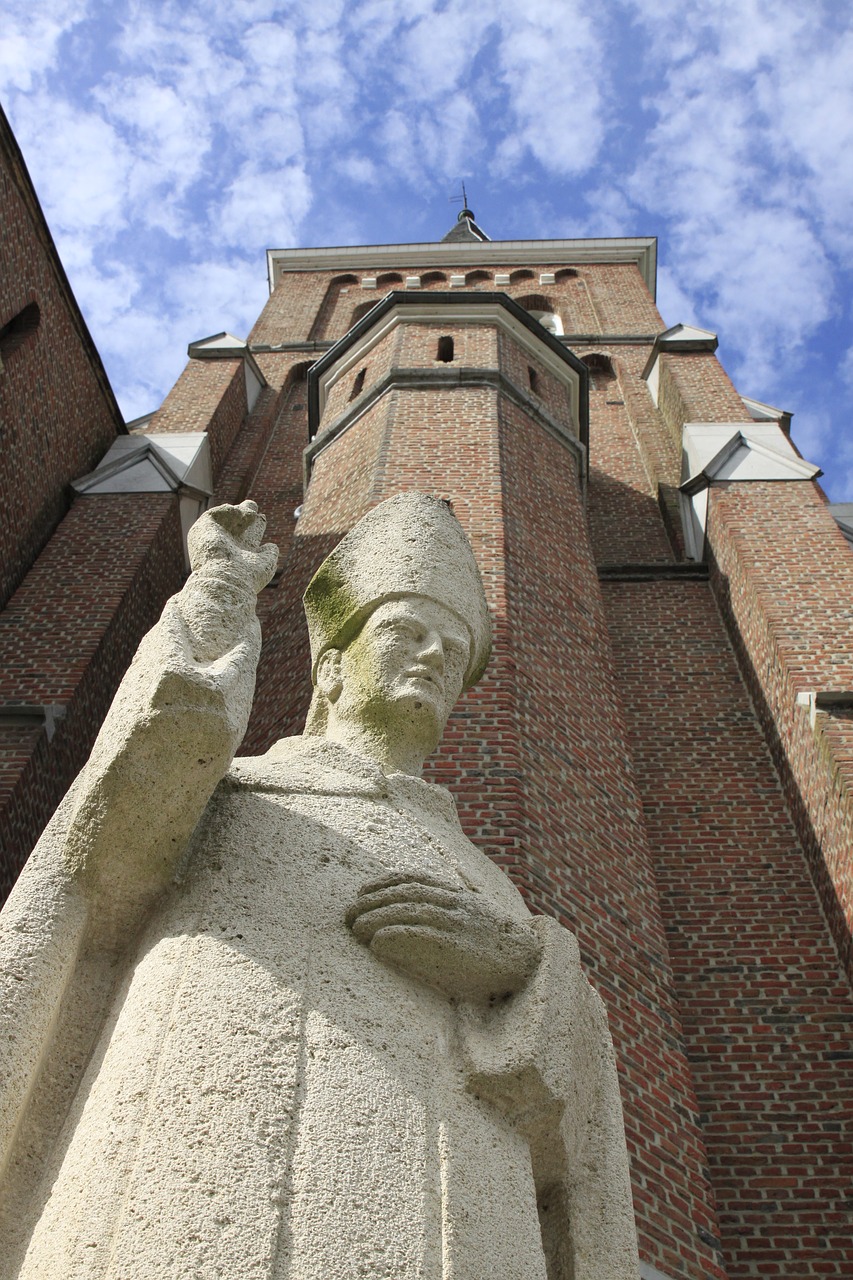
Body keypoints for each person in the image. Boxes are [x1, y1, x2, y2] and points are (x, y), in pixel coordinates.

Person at [0, 493, 639, 1279]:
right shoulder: (228, 793)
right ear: (332, 668)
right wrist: (218, 599)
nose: (434, 655)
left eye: (452, 644)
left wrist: (524, 971)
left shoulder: (489, 884)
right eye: (406, 631)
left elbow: (571, 1122)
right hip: (195, 1162)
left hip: (453, 1201)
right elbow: (120, 825)